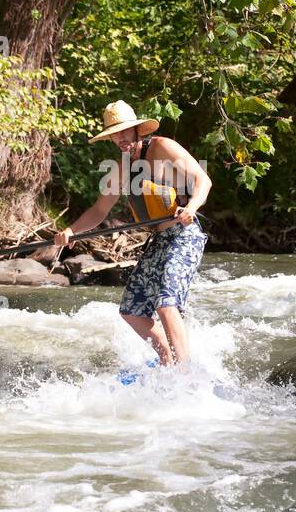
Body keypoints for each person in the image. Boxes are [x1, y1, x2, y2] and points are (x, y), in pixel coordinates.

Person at [53, 100, 212, 365]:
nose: (120, 138)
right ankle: (167, 361)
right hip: (159, 240)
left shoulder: (162, 147)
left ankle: (186, 374)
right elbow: (99, 210)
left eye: (125, 131)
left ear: (138, 130)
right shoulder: (121, 167)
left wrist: (192, 206)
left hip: (184, 234)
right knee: (132, 310)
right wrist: (70, 230)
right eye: (115, 134)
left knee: (165, 302)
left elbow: (202, 180)